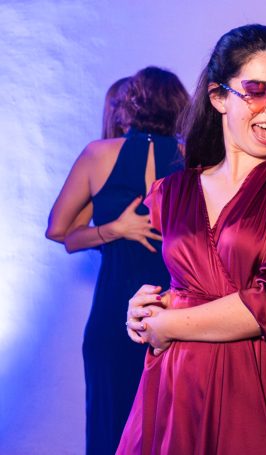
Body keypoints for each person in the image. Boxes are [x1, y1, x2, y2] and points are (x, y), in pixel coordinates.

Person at [118, 24, 266, 454]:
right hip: (178, 384)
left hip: (259, 381)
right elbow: (195, 286)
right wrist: (147, 310)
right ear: (218, 97)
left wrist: (167, 325)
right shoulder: (175, 191)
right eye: (257, 91)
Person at [46, 67, 189, 454]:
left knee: (110, 429)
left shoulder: (98, 154)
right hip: (175, 313)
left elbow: (59, 231)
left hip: (113, 313)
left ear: (131, 103)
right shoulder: (193, 159)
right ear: (179, 106)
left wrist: (112, 230)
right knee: (172, 433)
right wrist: (119, 229)